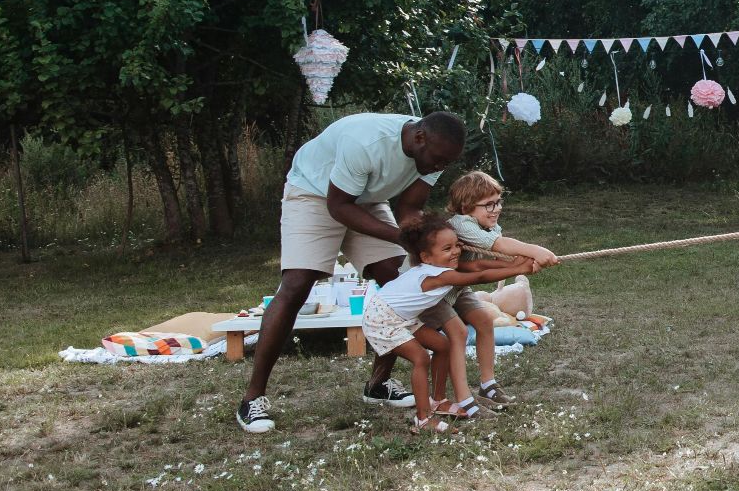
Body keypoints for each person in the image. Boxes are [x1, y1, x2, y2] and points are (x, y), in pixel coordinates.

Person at [237, 110, 467, 434]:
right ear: (419, 139)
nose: (440, 167)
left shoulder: (436, 150)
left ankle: (378, 384)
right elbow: (338, 206)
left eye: (446, 163)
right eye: (438, 160)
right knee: (297, 284)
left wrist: (422, 239)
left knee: (399, 280)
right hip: (315, 194)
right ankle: (252, 398)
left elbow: (409, 208)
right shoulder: (365, 141)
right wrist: (399, 237)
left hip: (367, 199)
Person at [363, 215, 535, 433]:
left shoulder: (439, 266)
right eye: (447, 248)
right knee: (421, 358)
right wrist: (518, 269)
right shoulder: (434, 275)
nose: (455, 252)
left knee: (443, 346)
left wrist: (516, 263)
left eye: (456, 245)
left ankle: (439, 401)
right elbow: (479, 276)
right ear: (426, 257)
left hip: (397, 315)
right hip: (382, 320)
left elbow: (478, 264)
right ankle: (423, 419)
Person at [431, 171, 560, 410]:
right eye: (488, 204)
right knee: (457, 334)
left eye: (498, 201)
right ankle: (463, 398)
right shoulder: (461, 224)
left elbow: (484, 260)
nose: (496, 208)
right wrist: (535, 251)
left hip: (457, 288)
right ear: (466, 206)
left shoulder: (482, 224)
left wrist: (518, 265)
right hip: (435, 294)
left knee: (484, 321)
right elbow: (496, 250)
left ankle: (487, 384)